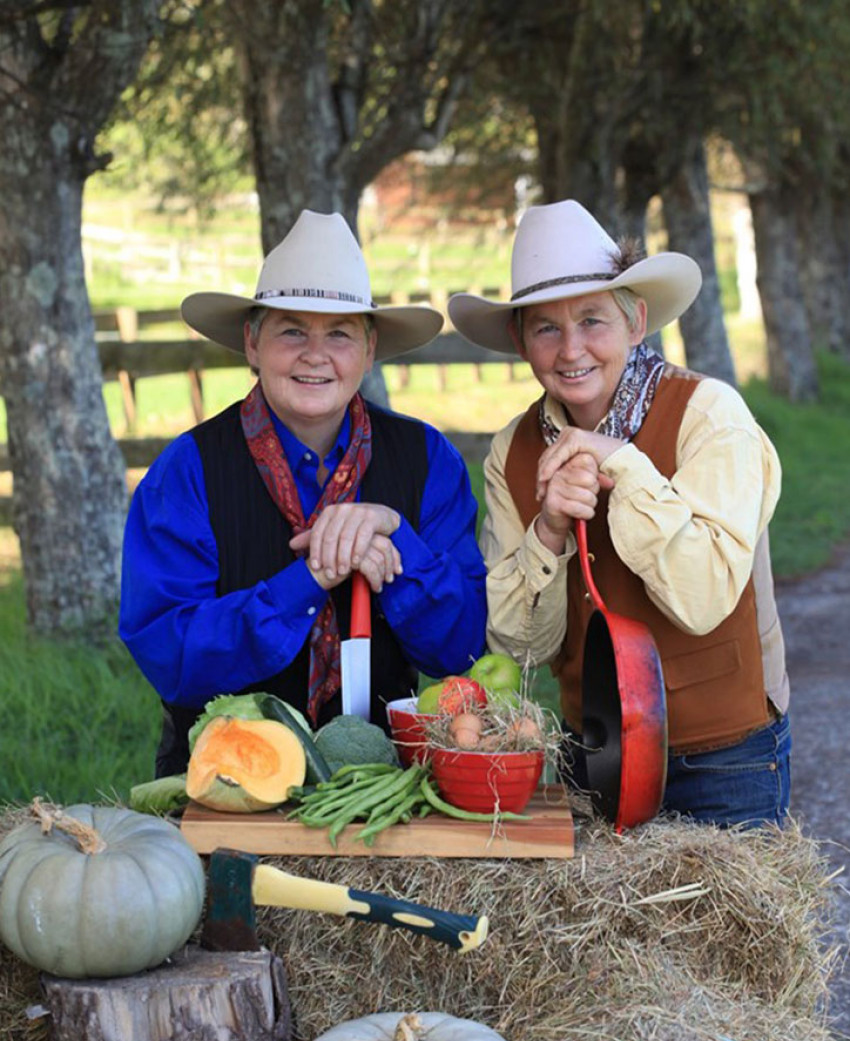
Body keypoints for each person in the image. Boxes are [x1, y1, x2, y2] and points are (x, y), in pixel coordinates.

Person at [448, 198, 790, 828]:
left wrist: (625, 466)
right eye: (546, 328)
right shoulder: (512, 451)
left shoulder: (710, 415)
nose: (571, 348)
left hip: (724, 757)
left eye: (592, 320)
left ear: (636, 321)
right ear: (521, 341)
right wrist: (549, 531)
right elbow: (518, 651)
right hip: (594, 751)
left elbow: (705, 597)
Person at [120, 210, 487, 775]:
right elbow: (173, 656)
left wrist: (394, 539)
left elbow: (461, 649)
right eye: (292, 330)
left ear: (368, 352)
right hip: (224, 777)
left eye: (339, 334)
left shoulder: (428, 459)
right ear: (252, 343)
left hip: (385, 782)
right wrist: (311, 579)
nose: (315, 355)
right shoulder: (187, 469)